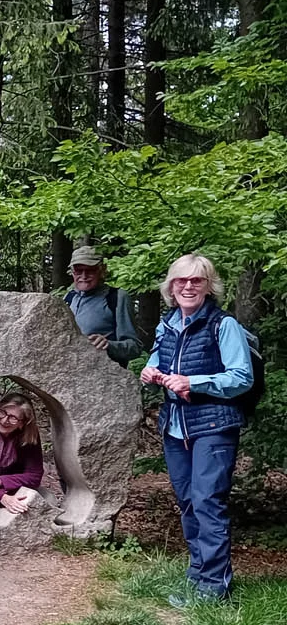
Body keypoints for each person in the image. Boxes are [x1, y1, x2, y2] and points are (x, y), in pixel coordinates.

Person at [140, 254, 254, 605]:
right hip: (176, 427)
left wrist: (195, 381)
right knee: (189, 502)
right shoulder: (167, 324)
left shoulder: (224, 325)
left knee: (207, 501)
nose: (188, 286)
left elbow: (242, 377)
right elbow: (159, 359)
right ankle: (198, 573)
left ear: (208, 286)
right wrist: (150, 371)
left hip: (214, 426)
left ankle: (214, 588)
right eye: (181, 281)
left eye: (196, 281)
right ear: (171, 287)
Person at [65, 245, 141, 366]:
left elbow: (135, 348)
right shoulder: (69, 298)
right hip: (68, 375)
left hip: (105, 378)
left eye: (90, 270)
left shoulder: (116, 298)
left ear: (102, 270)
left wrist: (109, 345)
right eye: (79, 271)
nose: (84, 276)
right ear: (73, 272)